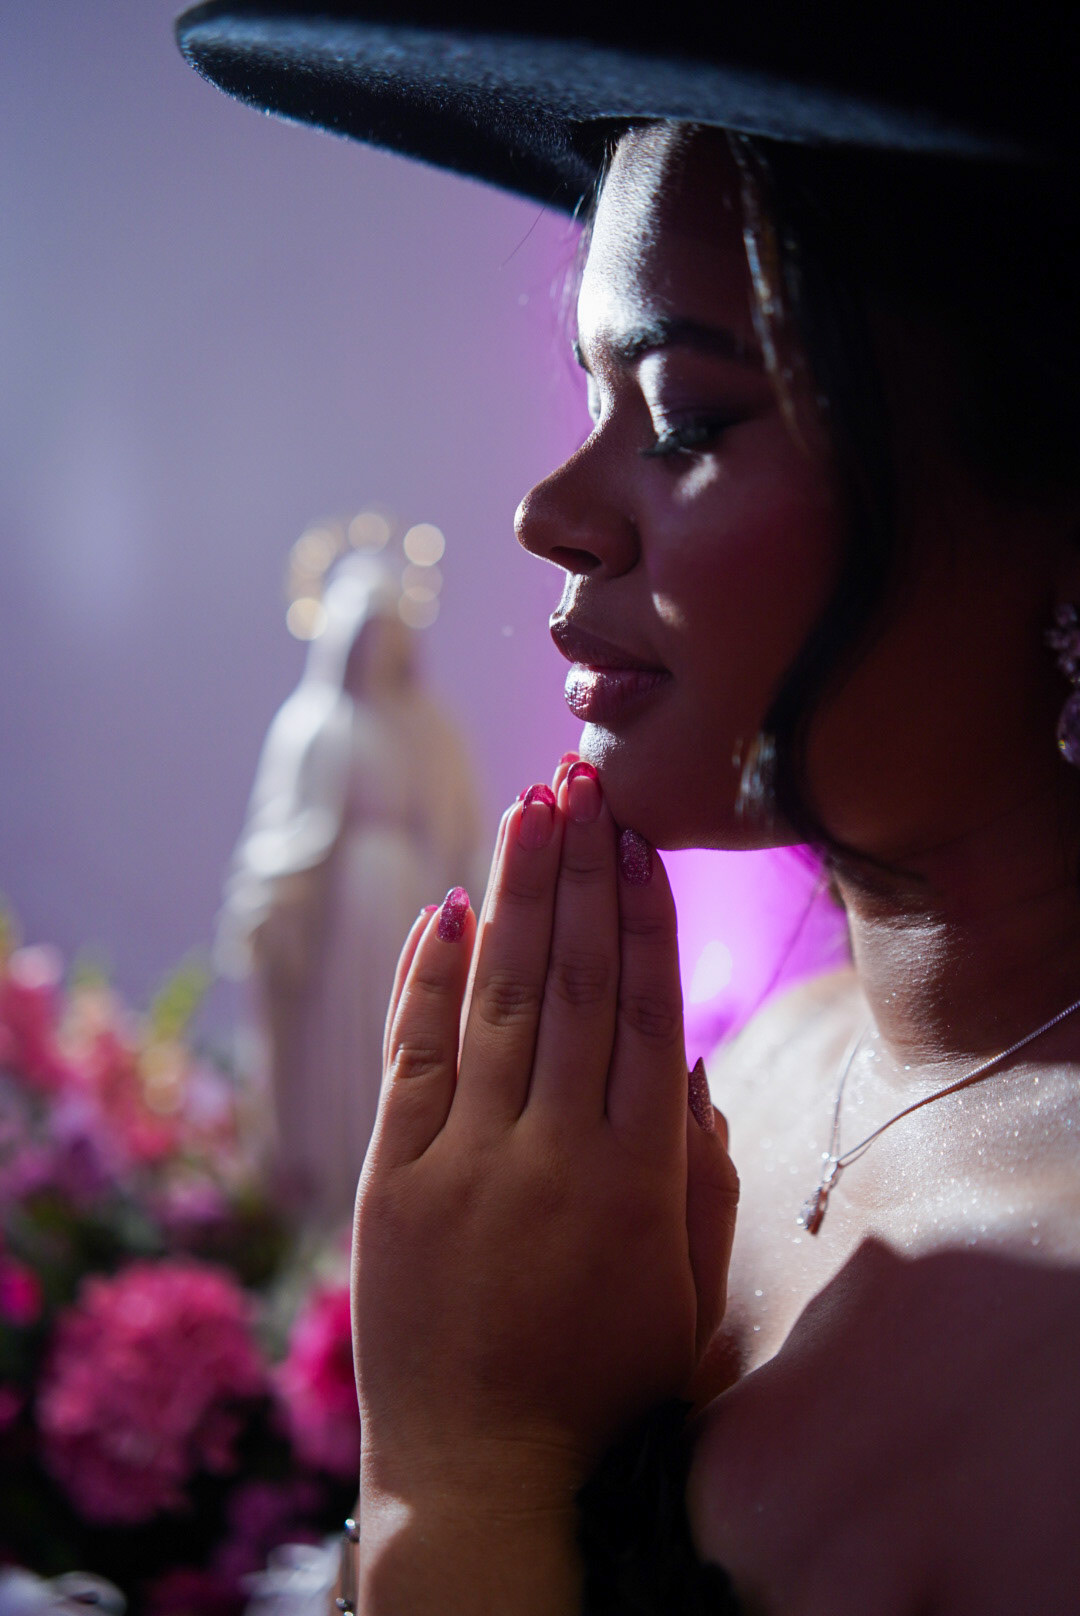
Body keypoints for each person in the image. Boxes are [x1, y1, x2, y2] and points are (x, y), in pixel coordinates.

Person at [177, 7, 1080, 1611]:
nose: (552, 512)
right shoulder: (745, 1081)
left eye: (685, 421)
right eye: (592, 397)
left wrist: (466, 1471)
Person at [217, 556, 485, 1224]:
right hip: (337, 921)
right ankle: (332, 1209)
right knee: (333, 1066)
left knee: (399, 1043)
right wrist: (269, 908)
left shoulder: (430, 727)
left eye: (389, 632)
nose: (377, 647)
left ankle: (404, 1207)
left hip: (411, 910)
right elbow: (281, 832)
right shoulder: (313, 724)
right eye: (366, 632)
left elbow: (461, 835)